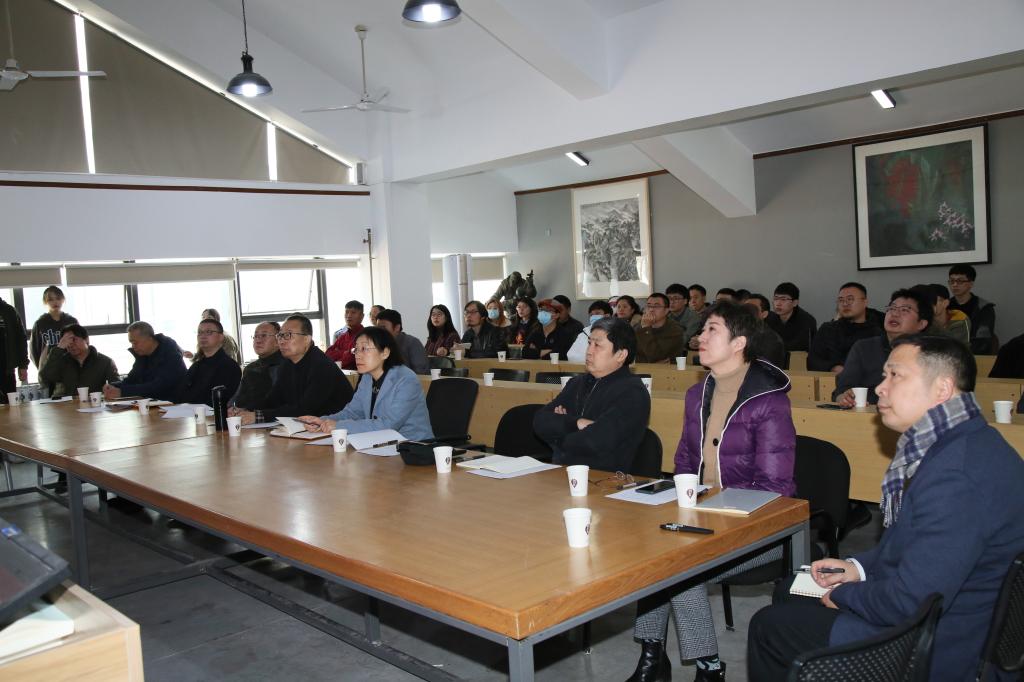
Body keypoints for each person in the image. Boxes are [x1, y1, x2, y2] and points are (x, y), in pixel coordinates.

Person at [748, 335, 1024, 682]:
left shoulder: (957, 474)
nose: (880, 387)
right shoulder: (964, 441)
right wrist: (857, 568)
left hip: (939, 643)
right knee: (791, 589)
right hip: (942, 611)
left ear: (942, 389)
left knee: (769, 626)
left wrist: (846, 594)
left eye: (895, 375)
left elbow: (909, 601)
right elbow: (912, 543)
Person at [630, 300, 796, 682]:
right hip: (705, 517)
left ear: (739, 343)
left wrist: (710, 512)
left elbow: (774, 490)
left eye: (711, 330)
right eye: (702, 329)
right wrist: (686, 502)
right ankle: (652, 658)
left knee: (681, 567)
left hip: (761, 529)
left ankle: (709, 670)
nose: (699, 337)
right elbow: (685, 460)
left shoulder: (768, 402)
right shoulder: (697, 394)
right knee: (648, 555)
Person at [533, 318, 650, 471]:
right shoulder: (577, 383)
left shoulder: (633, 392)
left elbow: (596, 441)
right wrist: (577, 423)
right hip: (562, 471)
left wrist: (558, 434)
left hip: (605, 478)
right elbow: (540, 421)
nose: (589, 351)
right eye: (589, 343)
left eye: (598, 346)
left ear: (621, 355)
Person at [301, 326, 434, 441]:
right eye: (356, 349)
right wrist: (322, 421)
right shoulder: (367, 377)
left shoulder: (406, 380)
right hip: (378, 444)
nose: (357, 355)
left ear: (385, 352)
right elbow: (353, 412)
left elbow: (388, 425)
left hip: (412, 446)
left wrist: (339, 426)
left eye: (364, 349)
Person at [236, 314, 353, 424]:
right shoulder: (287, 364)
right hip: (308, 429)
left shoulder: (322, 365)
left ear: (307, 339)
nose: (281, 341)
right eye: (280, 335)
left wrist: (258, 416)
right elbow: (273, 400)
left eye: (288, 335)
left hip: (338, 428)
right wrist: (245, 410)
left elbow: (305, 409)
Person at [833, 288, 932, 406]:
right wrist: (843, 397)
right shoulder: (864, 347)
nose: (894, 314)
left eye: (904, 310)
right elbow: (842, 389)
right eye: (892, 308)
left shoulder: (931, 353)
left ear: (921, 323)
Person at [807, 282, 884, 372]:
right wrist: (833, 368)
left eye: (850, 299)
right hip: (829, 379)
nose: (845, 303)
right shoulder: (827, 329)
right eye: (841, 300)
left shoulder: (876, 333)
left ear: (865, 302)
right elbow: (812, 361)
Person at [103, 322, 187, 402]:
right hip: (153, 404)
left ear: (150, 339)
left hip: (174, 404)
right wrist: (112, 386)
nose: (133, 346)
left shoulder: (170, 354)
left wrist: (122, 392)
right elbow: (131, 380)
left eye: (135, 342)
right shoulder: (142, 355)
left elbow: (159, 386)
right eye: (131, 343)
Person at [38, 324, 118, 398]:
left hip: (95, 405)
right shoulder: (61, 361)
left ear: (86, 340)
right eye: (66, 341)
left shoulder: (105, 362)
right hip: (66, 406)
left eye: (73, 339)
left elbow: (116, 387)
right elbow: (45, 379)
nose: (70, 344)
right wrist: (58, 349)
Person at [177, 318, 241, 405]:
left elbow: (216, 400)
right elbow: (181, 392)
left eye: (209, 332)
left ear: (221, 337)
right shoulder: (196, 366)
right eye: (200, 332)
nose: (203, 336)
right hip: (188, 410)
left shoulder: (229, 366)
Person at [228, 321, 283, 410]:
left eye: (264, 335)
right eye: (256, 336)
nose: (258, 340)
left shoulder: (285, 366)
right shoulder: (250, 368)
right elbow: (237, 399)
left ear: (278, 340)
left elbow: (276, 403)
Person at [946, 264, 996, 353]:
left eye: (960, 281)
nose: (955, 285)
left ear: (971, 284)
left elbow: (983, 339)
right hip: (948, 352)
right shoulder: (946, 306)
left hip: (975, 354)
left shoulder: (983, 308)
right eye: (952, 281)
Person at [30, 286, 78, 369]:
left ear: (63, 300)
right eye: (50, 300)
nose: (55, 302)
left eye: (58, 299)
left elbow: (80, 343)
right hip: (49, 367)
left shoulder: (71, 321)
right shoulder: (40, 324)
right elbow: (34, 350)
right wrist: (42, 369)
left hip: (70, 367)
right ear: (45, 302)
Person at [914, 283, 970, 348]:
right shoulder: (923, 319)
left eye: (934, 300)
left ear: (945, 303)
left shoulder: (959, 319)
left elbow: (953, 346)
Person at [635, 292, 685, 363]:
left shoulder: (675, 330)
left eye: (656, 306)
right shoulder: (638, 327)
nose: (651, 310)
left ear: (666, 311)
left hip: (667, 369)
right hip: (640, 368)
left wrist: (646, 329)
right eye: (649, 306)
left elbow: (655, 356)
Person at [375, 309, 429, 375]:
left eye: (383, 328)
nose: (379, 332)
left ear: (397, 327)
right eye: (377, 328)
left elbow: (420, 372)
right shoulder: (378, 345)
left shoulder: (412, 343)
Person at [767, 282, 817, 352]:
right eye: (776, 299)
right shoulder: (769, 318)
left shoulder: (807, 321)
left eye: (783, 299)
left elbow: (799, 346)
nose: (778, 303)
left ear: (795, 303)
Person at [745, 294, 787, 368]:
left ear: (764, 314)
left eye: (752, 309)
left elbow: (765, 371)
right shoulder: (736, 332)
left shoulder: (772, 341)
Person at [0, 296, 28, 402]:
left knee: (10, 405)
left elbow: (21, 338)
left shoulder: (9, 310)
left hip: (7, 370)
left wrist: (23, 365)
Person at [325, 300, 365, 370]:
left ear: (362, 316)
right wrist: (346, 352)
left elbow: (351, 359)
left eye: (353, 312)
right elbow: (327, 354)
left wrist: (338, 353)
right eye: (346, 312)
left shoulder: (365, 336)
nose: (349, 316)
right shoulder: (343, 336)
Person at [665, 283, 701, 348]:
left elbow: (684, 339)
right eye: (669, 298)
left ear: (685, 301)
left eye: (676, 298)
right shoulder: (666, 316)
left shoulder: (694, 318)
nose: (671, 302)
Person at [687, 285, 710, 350]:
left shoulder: (713, 315)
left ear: (704, 298)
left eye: (696, 297)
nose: (693, 301)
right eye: (690, 298)